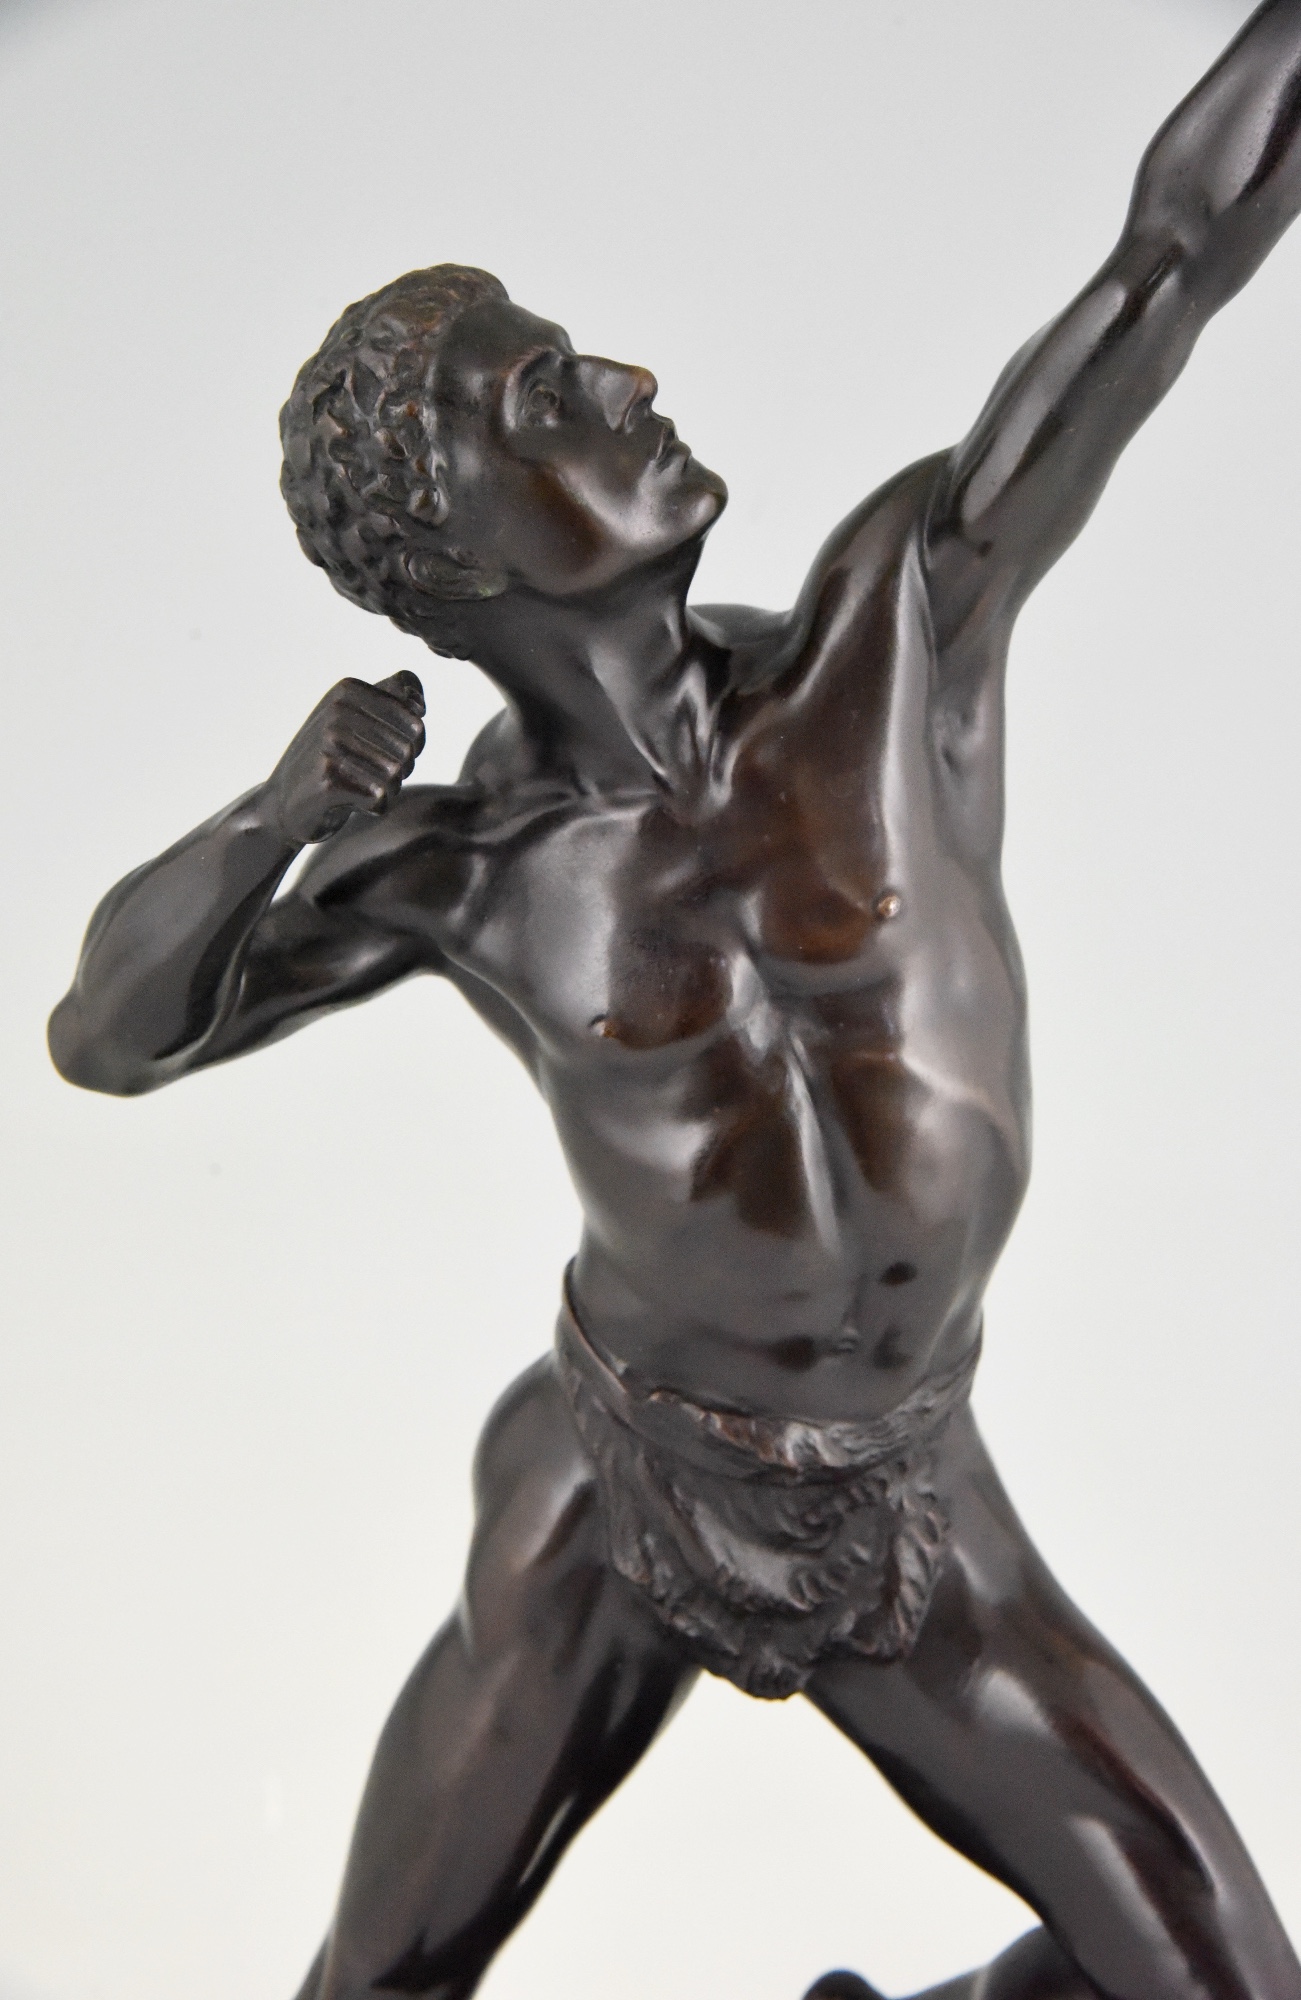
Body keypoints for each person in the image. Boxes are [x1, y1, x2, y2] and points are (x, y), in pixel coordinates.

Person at [47, 4, 1301, 1996]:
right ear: (453, 552)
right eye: (548, 397)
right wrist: (273, 817)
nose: (629, 382)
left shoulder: (899, 630)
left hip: (903, 1495)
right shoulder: (466, 868)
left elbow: (1171, 258)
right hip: (614, 1487)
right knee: (375, 1980)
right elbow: (113, 1038)